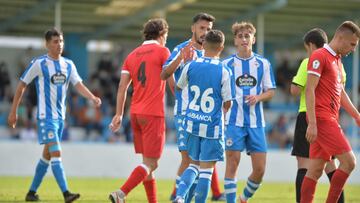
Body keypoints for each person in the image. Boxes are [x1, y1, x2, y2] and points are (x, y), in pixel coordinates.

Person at [8, 28, 102, 203]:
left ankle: (31, 193)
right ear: (47, 44)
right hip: (45, 117)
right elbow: (21, 85)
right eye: (55, 41)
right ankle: (66, 194)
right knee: (57, 153)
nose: (59, 45)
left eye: (61, 41)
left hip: (60, 119)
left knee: (46, 157)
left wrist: (92, 97)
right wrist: (13, 111)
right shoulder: (39, 63)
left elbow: (78, 85)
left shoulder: (68, 64)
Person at [161, 12, 226, 202]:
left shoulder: (212, 55)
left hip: (207, 116)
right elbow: (164, 74)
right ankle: (177, 196)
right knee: (189, 160)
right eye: (202, 28)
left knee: (198, 162)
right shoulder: (182, 49)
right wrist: (180, 59)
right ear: (193, 28)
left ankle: (180, 197)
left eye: (209, 29)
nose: (205, 32)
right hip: (185, 113)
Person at [108, 18, 171, 203]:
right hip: (153, 114)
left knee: (147, 163)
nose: (166, 40)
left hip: (135, 113)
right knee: (152, 164)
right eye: (165, 36)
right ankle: (121, 193)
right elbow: (171, 78)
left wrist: (119, 113)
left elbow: (122, 88)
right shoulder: (162, 51)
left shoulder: (132, 55)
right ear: (161, 35)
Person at [301, 21, 360, 203]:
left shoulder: (337, 60)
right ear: (340, 37)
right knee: (349, 162)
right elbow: (309, 89)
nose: (353, 49)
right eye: (352, 44)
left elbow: (340, 93)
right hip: (322, 119)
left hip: (327, 119)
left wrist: (356, 115)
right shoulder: (320, 55)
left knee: (316, 170)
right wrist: (312, 123)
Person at [173, 29, 232, 203]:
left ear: (204, 44)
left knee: (192, 165)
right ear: (221, 48)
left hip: (191, 122)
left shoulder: (191, 65)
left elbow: (178, 87)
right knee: (206, 171)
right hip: (212, 127)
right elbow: (228, 103)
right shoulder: (224, 70)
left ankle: (179, 196)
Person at [222, 21, 276, 203]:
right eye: (240, 36)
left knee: (260, 169)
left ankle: (243, 198)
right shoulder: (226, 64)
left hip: (256, 123)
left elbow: (271, 91)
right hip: (233, 121)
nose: (244, 39)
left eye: (247, 36)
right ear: (235, 41)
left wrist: (258, 97)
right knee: (232, 163)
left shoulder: (263, 63)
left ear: (253, 39)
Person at [290, 28, 345, 203]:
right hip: (329, 118)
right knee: (331, 166)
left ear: (311, 45)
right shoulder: (338, 64)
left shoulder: (309, 61)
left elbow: (295, 90)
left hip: (309, 116)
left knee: (304, 165)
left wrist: (295, 79)